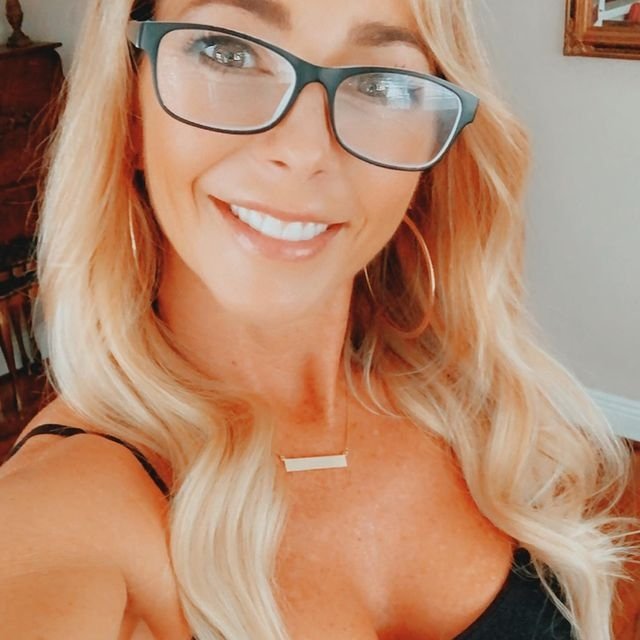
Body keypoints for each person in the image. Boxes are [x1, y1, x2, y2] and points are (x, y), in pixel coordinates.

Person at [0, 0, 638, 638]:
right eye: (228, 52)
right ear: (131, 108)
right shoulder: (62, 509)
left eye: (382, 85)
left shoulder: (477, 411)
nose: (304, 151)